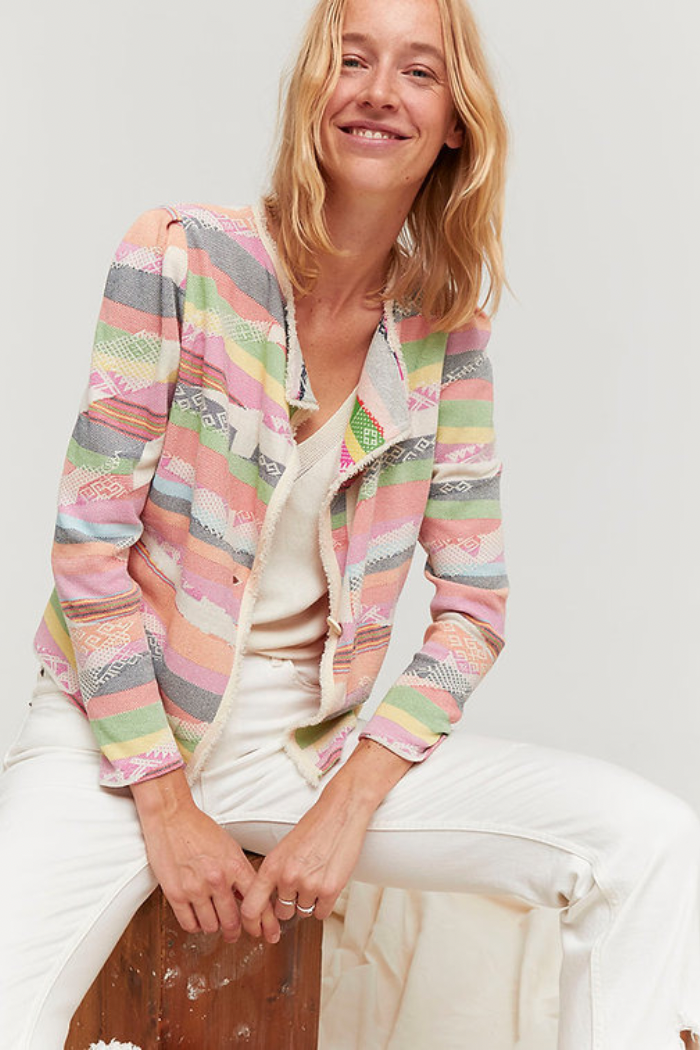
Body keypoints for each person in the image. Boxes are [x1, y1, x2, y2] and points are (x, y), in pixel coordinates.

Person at [1, 0, 699, 1046]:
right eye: (352, 59)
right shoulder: (180, 258)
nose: (378, 93)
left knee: (645, 842)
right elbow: (90, 554)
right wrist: (165, 801)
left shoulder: (444, 335)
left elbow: (472, 608)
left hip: (304, 745)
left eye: (418, 72)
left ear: (455, 120)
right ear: (312, 89)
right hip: (114, 729)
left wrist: (350, 802)